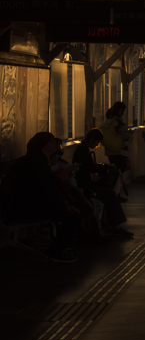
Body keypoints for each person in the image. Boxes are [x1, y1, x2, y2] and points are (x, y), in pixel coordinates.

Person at [0, 132, 82, 262]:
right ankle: (57, 251)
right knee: (73, 217)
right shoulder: (36, 163)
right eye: (52, 141)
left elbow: (44, 191)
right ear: (43, 145)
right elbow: (44, 191)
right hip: (24, 209)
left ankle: (61, 247)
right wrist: (63, 201)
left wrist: (63, 203)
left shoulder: (38, 161)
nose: (55, 143)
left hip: (26, 205)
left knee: (71, 212)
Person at [72, 129, 133, 238]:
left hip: (86, 183)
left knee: (109, 193)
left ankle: (112, 224)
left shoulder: (82, 148)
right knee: (110, 194)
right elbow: (85, 169)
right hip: (85, 186)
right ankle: (115, 226)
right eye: (98, 143)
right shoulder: (83, 150)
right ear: (92, 139)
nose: (97, 145)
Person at [101, 101, 132, 198]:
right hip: (118, 151)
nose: (123, 113)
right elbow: (125, 136)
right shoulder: (117, 122)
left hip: (109, 150)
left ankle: (116, 195)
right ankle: (116, 195)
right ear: (120, 111)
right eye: (123, 111)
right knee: (118, 175)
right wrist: (130, 132)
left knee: (115, 174)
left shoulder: (108, 120)